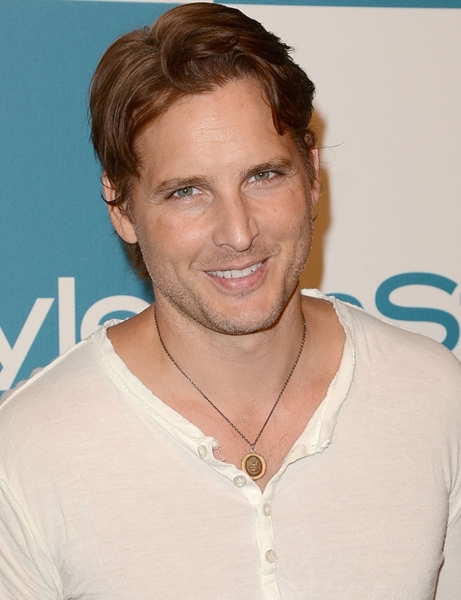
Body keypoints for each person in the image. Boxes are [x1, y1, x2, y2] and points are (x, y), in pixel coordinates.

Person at [0, 3, 460, 598]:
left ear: (312, 173)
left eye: (263, 176)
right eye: (187, 192)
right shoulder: (27, 452)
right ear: (122, 209)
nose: (238, 232)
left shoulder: (436, 398)